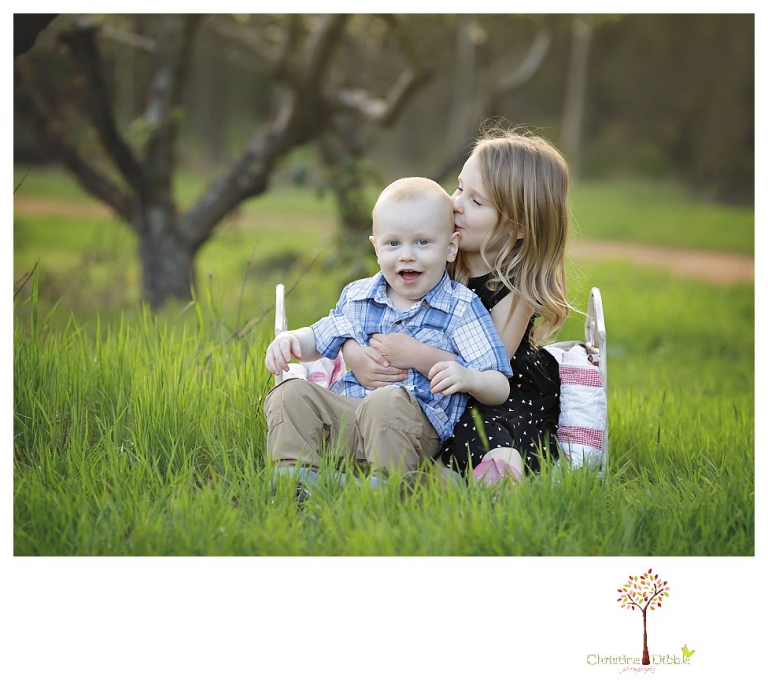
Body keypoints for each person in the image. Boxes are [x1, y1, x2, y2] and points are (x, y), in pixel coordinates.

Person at [343, 126, 572, 483]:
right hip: (435, 386)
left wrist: (416, 355)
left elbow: (488, 368)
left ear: (518, 228)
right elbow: (365, 312)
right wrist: (354, 353)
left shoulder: (515, 290)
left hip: (495, 392)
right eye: (460, 188)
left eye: (476, 201)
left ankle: (490, 482)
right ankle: (411, 472)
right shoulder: (436, 254)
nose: (456, 204)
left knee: (488, 430)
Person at [264, 176, 512, 491]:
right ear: (376, 248)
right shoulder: (358, 296)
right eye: (393, 243)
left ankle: (386, 488)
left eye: (422, 242)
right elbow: (319, 337)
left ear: (450, 247)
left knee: (387, 400)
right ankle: (295, 478)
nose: (406, 255)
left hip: (412, 427)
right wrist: (291, 341)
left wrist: (468, 377)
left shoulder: (460, 307)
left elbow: (499, 384)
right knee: (290, 393)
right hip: (350, 417)